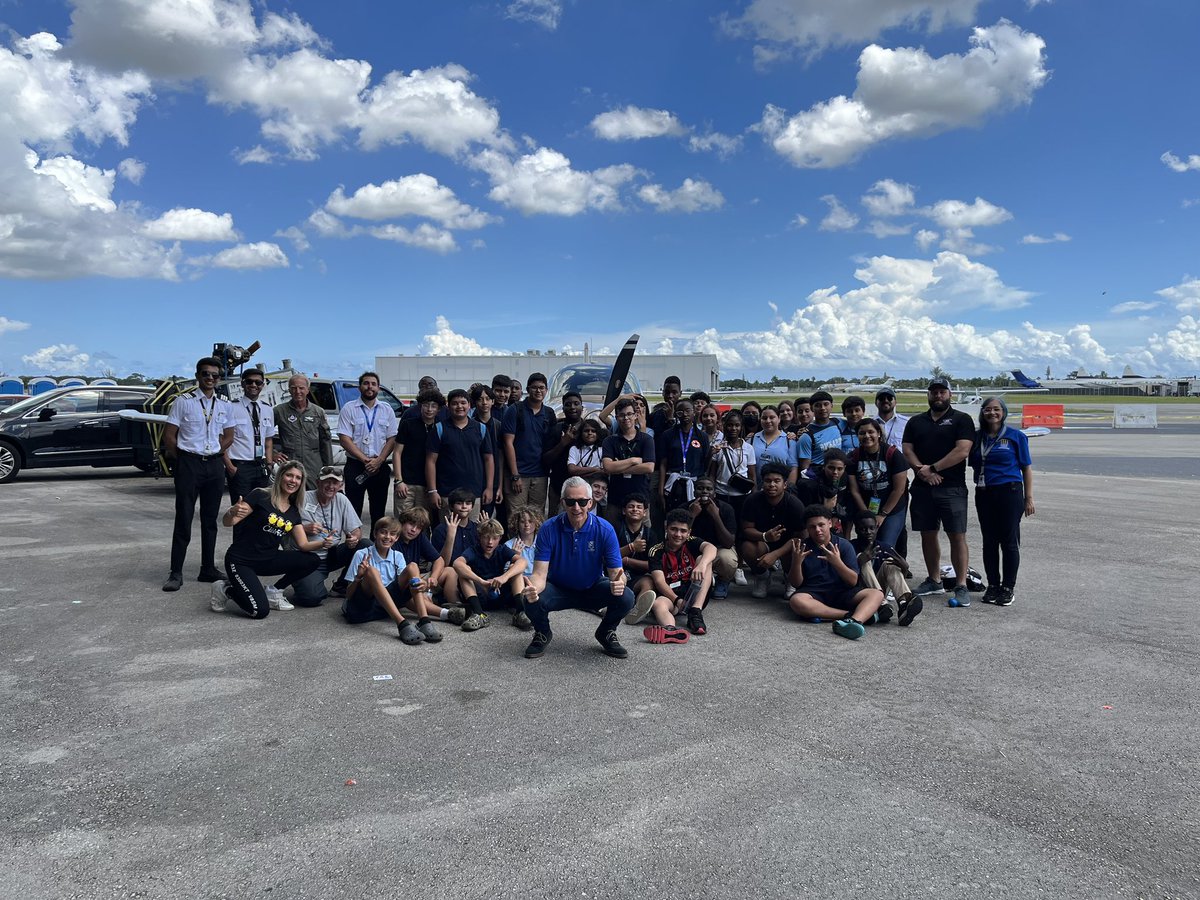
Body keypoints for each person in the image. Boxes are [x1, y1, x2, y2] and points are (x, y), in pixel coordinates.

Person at [519, 477, 635, 659]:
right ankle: (542, 632)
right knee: (529, 598)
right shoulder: (548, 529)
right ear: (563, 502)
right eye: (571, 502)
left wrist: (619, 582)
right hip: (558, 589)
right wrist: (532, 589)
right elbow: (539, 574)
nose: (576, 507)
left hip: (592, 587)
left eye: (581, 502)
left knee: (626, 596)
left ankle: (606, 632)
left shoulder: (605, 529)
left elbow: (616, 573)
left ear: (590, 503)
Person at [212, 460, 323, 619]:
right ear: (280, 477)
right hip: (241, 560)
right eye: (289, 475)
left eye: (298, 478)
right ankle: (226, 589)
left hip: (268, 559)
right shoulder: (260, 495)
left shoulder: (293, 512)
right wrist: (232, 512)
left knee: (312, 560)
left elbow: (303, 545)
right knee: (259, 611)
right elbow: (228, 523)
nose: (293, 480)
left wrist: (324, 543)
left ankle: (274, 591)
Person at [162, 356, 236, 591]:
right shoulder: (183, 402)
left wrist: (215, 451)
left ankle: (207, 568)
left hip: (214, 465)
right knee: (183, 517)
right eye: (206, 374)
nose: (211, 379)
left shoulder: (225, 404)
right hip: (189, 464)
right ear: (198, 376)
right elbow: (170, 435)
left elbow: (229, 435)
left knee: (210, 520)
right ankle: (176, 572)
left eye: (215, 375)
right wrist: (183, 458)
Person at [902, 377, 976, 607]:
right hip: (923, 488)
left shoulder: (961, 419)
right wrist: (922, 472)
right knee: (928, 533)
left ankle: (961, 584)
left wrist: (933, 468)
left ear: (950, 394)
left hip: (952, 487)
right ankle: (934, 580)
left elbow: (962, 450)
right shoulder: (916, 421)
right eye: (934, 391)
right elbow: (907, 449)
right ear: (928, 395)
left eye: (942, 391)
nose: (938, 395)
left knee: (957, 535)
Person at [969, 397, 1034, 606]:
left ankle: (1008, 587)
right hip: (984, 492)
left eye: (996, 409)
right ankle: (993, 585)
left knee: (1008, 541)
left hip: (1010, 491)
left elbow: (1026, 468)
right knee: (989, 542)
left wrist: (1028, 498)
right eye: (987, 409)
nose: (992, 413)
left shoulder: (1016, 436)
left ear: (1003, 412)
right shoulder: (977, 438)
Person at [786, 505, 885, 640]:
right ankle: (850, 616)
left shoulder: (844, 545)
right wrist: (796, 562)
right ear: (807, 528)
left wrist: (837, 563)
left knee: (876, 594)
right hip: (814, 593)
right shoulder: (802, 547)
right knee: (796, 601)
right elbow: (796, 583)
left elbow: (852, 581)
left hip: (842, 593)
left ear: (830, 523)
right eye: (812, 527)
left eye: (821, 525)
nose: (817, 530)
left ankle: (853, 622)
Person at [343, 515, 443, 645]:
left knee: (412, 566)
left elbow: (406, 587)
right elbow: (348, 595)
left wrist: (421, 585)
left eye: (392, 534)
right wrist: (358, 577)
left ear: (396, 538)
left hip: (386, 606)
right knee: (371, 571)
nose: (387, 537)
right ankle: (401, 624)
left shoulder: (397, 556)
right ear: (375, 533)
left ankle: (424, 620)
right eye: (383, 532)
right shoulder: (362, 554)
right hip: (363, 608)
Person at [628, 508, 717, 643]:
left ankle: (695, 613)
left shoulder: (691, 542)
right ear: (666, 528)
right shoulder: (656, 551)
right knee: (658, 604)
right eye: (674, 529)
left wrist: (702, 565)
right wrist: (677, 600)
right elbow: (659, 582)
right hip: (672, 596)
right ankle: (671, 630)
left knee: (705, 560)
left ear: (689, 533)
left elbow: (712, 548)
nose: (678, 534)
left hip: (694, 594)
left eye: (683, 531)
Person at [291, 465, 365, 606]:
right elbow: (285, 526)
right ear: (318, 482)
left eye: (335, 482)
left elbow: (356, 530)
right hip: (307, 556)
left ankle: (341, 585)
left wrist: (353, 539)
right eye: (327, 481)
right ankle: (306, 583)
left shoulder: (342, 500)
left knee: (365, 545)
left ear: (341, 485)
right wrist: (303, 528)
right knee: (311, 598)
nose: (331, 486)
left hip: (332, 554)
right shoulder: (302, 498)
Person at [338, 371, 398, 530]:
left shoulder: (387, 410)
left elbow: (392, 438)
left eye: (373, 384)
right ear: (359, 387)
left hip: (380, 466)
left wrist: (379, 461)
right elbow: (344, 438)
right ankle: (354, 547)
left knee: (378, 512)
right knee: (353, 510)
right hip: (356, 465)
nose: (369, 387)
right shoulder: (349, 409)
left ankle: (376, 547)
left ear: (378, 388)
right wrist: (366, 460)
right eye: (366, 383)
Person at [738, 462, 805, 599]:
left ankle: (790, 579)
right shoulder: (752, 500)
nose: (772, 485)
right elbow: (746, 529)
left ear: (785, 484)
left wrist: (775, 554)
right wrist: (764, 536)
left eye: (777, 481)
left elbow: (802, 537)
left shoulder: (795, 504)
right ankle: (762, 576)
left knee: (797, 549)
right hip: (763, 542)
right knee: (747, 547)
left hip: (788, 545)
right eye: (768, 481)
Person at [425, 389, 494, 522]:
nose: (459, 406)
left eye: (463, 403)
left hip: (473, 493)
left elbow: (488, 459)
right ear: (448, 406)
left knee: (471, 531)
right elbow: (430, 461)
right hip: (446, 493)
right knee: (447, 532)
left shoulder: (481, 429)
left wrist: (489, 488)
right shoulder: (439, 429)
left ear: (469, 405)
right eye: (455, 403)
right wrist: (432, 491)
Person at [453, 518, 530, 631]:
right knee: (464, 572)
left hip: (501, 592)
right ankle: (479, 615)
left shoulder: (502, 549)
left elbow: (523, 562)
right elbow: (457, 563)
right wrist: (481, 581)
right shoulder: (474, 550)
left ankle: (520, 612)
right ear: (479, 537)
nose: (490, 542)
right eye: (486, 537)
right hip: (480, 594)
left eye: (494, 538)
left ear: (499, 539)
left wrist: (504, 577)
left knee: (515, 568)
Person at [846, 419, 909, 553]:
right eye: (862, 433)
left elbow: (899, 489)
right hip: (866, 506)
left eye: (871, 432)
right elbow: (854, 490)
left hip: (892, 507)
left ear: (879, 433)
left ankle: (892, 569)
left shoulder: (893, 455)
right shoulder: (854, 456)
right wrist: (867, 515)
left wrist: (883, 514)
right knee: (866, 544)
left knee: (885, 545)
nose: (867, 436)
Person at [501, 372, 555, 516]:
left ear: (546, 390)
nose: (538, 391)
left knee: (537, 518)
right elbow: (508, 443)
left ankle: (535, 540)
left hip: (540, 475)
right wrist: (515, 475)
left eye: (542, 388)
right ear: (528, 389)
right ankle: (516, 540)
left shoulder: (549, 414)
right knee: (516, 518)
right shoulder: (515, 410)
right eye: (535, 387)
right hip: (518, 475)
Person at [223, 368, 276, 505]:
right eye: (249, 382)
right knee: (240, 510)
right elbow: (221, 439)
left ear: (262, 385)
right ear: (242, 384)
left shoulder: (267, 409)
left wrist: (269, 464)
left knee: (261, 510)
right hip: (240, 466)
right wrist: (229, 466)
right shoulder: (231, 407)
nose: (253, 385)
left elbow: (268, 439)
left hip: (261, 466)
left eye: (258, 382)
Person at [601, 397, 655, 527]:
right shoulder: (610, 441)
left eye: (629, 414)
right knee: (612, 537)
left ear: (636, 415)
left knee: (643, 539)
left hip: (640, 499)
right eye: (622, 415)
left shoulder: (646, 439)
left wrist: (618, 467)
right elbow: (607, 467)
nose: (626, 418)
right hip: (616, 499)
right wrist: (633, 460)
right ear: (616, 417)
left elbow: (649, 467)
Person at [272, 373, 332, 490]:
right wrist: (273, 453)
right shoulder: (279, 411)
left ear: (308, 390)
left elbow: (325, 441)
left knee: (313, 498)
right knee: (289, 498)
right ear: (289, 390)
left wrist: (328, 468)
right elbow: (264, 434)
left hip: (313, 465)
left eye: (301, 388)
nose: (297, 391)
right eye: (293, 388)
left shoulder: (318, 412)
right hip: (290, 464)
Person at [682, 477, 738, 600]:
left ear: (714, 493)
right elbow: (677, 539)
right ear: (694, 492)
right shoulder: (685, 508)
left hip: (718, 550)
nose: (704, 492)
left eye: (709, 489)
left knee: (728, 559)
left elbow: (728, 543)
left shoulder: (726, 508)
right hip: (692, 551)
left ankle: (722, 581)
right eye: (700, 488)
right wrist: (691, 516)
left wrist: (716, 516)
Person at [392, 388, 443, 516]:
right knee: (402, 521)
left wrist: (434, 488)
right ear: (420, 406)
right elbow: (397, 452)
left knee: (424, 524)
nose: (429, 409)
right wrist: (398, 481)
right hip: (406, 484)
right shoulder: (408, 425)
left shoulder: (441, 428)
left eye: (433, 406)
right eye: (426, 405)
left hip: (428, 487)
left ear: (439, 409)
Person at [657, 398, 709, 512]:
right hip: (674, 485)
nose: (684, 414)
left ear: (694, 412)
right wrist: (661, 490)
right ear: (676, 414)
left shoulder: (702, 436)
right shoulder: (667, 435)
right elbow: (663, 463)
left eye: (687, 410)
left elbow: (705, 462)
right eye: (680, 412)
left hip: (695, 484)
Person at [709, 410, 757, 524]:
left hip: (742, 495)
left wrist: (754, 497)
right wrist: (712, 493)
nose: (733, 428)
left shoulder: (748, 448)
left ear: (741, 427)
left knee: (741, 525)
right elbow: (712, 473)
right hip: (722, 494)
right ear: (725, 426)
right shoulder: (718, 447)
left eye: (737, 425)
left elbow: (752, 475)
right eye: (730, 425)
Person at [470, 384, 504, 516]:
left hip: (495, 481)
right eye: (480, 399)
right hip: (475, 481)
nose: (484, 402)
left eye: (487, 399)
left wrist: (500, 486)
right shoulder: (470, 426)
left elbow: (501, 458)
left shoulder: (498, 426)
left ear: (493, 401)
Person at [545, 390, 585, 502]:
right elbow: (546, 459)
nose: (572, 407)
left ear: (582, 407)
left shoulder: (589, 429)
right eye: (568, 404)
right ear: (563, 409)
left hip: (583, 487)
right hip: (558, 485)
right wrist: (563, 443)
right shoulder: (555, 429)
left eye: (576, 404)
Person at [751, 405, 798, 486]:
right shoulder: (751, 440)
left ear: (779, 419)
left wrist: (789, 490)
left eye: (772, 417)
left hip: (780, 492)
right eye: (764, 418)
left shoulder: (789, 441)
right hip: (756, 490)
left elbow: (793, 468)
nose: (768, 421)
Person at [615, 492, 656, 583]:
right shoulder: (614, 529)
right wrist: (631, 547)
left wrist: (627, 561)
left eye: (639, 507)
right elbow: (606, 556)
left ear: (645, 512)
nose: (635, 509)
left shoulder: (650, 534)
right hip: (616, 573)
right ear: (624, 511)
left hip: (640, 576)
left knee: (648, 583)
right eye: (631, 506)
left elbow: (654, 565)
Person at [806, 391, 842, 467]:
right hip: (819, 474)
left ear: (831, 406)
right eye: (818, 405)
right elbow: (805, 468)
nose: (822, 408)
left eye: (826, 404)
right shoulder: (807, 434)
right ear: (812, 408)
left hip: (838, 472)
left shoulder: (839, 423)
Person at [874, 387, 909, 452]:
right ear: (876, 403)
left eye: (889, 398)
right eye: (881, 398)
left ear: (895, 402)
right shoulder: (870, 423)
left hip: (899, 461)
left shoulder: (907, 423)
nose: (886, 400)